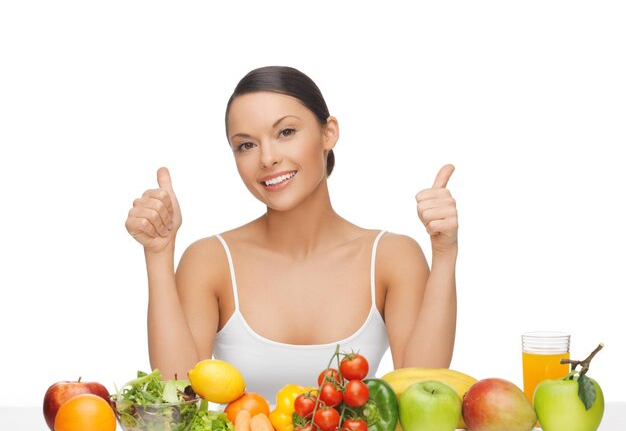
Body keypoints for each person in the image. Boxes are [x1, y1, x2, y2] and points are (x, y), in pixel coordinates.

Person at [125, 66, 458, 401]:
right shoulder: (209, 260)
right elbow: (177, 398)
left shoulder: (392, 257)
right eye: (246, 145)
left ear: (328, 133)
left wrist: (444, 254)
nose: (268, 158)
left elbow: (422, 393)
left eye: (285, 132)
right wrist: (158, 254)